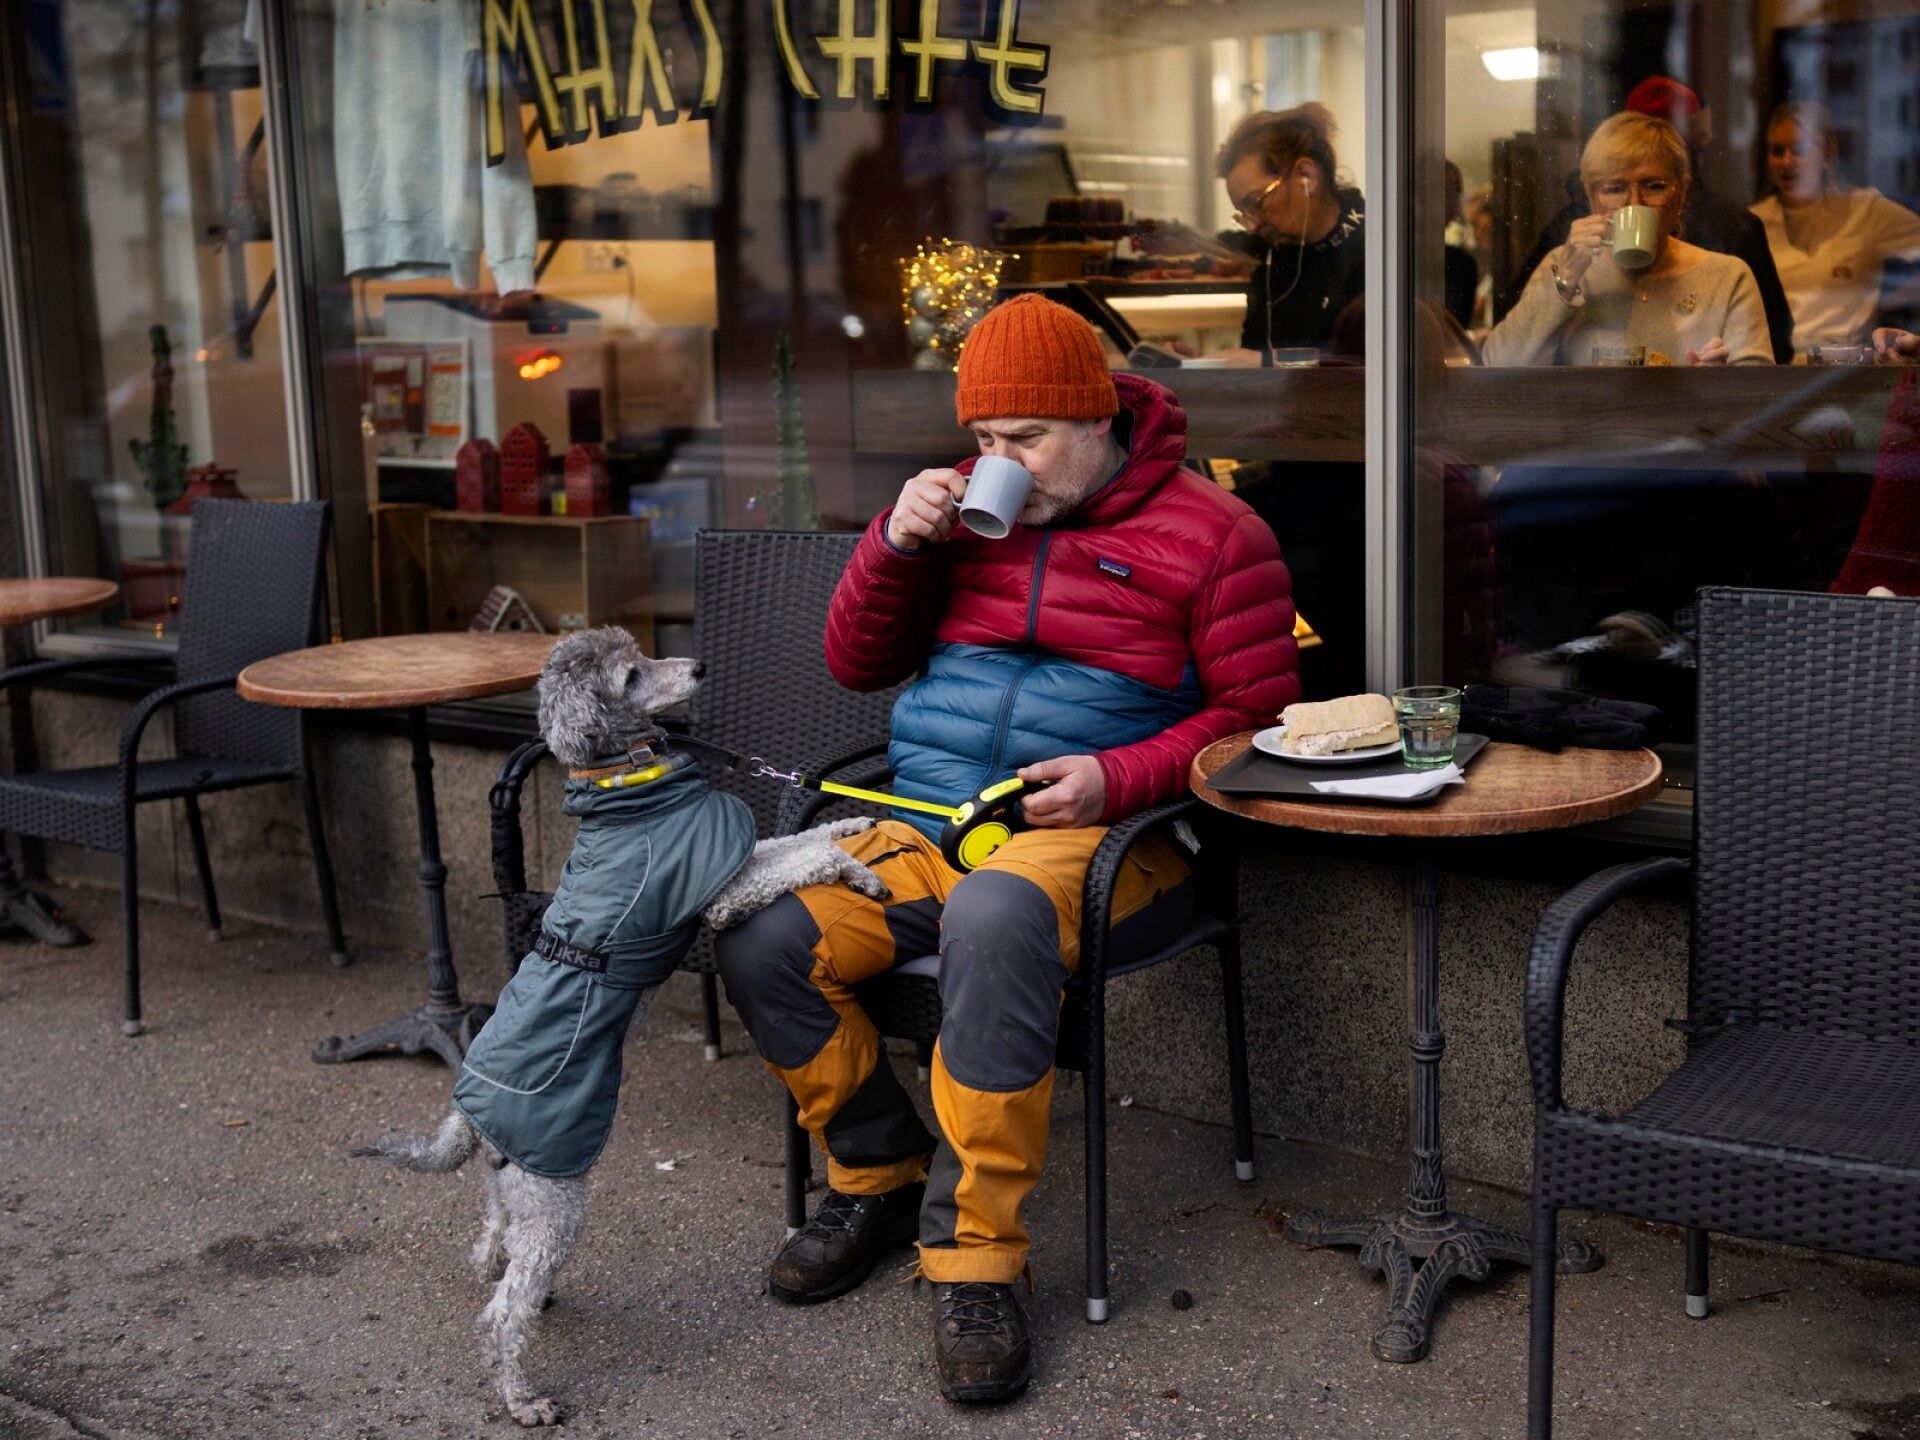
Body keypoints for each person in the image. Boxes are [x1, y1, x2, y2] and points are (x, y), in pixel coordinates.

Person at [713, 294, 1298, 1404]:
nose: (1000, 463)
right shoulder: (960, 522)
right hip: (930, 825)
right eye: (984, 440)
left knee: (996, 921)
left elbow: (1258, 719)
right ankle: (876, 1175)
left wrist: (1114, 776)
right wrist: (893, 546)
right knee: (765, 932)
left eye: (1025, 439)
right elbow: (855, 666)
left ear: (1098, 417)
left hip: (1107, 838)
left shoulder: (1216, 533)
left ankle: (976, 1258)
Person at [1499, 77, 1794, 363]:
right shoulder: (1565, 266)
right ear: (1590, 197)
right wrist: (1565, 280)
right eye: (1614, 189)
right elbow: (1498, 367)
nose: (1634, 203)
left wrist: (1713, 384)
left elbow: (1757, 394)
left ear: (1681, 194)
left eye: (1654, 186)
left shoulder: (1727, 277)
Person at [1751, 101, 1920, 357]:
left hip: (1847, 369)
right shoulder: (1754, 221)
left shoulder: (1865, 210)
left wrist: (1889, 303)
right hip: (1778, 373)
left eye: (1799, 149)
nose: (1787, 161)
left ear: (1828, 153)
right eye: (1777, 150)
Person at [1209, 103, 1365, 365]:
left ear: (1306, 176)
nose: (1251, 226)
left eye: (1256, 203)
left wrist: (1263, 362)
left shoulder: (1375, 246)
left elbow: (1371, 368)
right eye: (1242, 213)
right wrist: (1210, 363)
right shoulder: (1274, 252)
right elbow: (1255, 347)